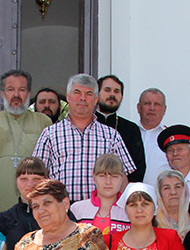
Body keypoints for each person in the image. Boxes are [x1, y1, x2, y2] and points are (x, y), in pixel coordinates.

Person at [32, 73, 135, 203]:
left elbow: (123, 177)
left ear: (96, 99)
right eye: (77, 92)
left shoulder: (111, 135)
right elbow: (38, 175)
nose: (83, 98)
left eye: (89, 94)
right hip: (62, 212)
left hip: (101, 213)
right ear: (68, 97)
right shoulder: (50, 134)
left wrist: (119, 209)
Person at [0, 70, 51, 211]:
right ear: (2, 94)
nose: (16, 95)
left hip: (33, 194)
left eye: (22, 90)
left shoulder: (43, 121)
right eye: (11, 90)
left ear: (29, 94)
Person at [0, 157, 48, 250]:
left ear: (46, 180)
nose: (30, 184)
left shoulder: (59, 213)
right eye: (24, 179)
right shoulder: (4, 219)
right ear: (16, 182)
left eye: (36, 179)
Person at [69, 153, 130, 243]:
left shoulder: (129, 210)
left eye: (114, 176)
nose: (108, 182)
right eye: (102, 176)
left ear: (122, 178)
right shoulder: (77, 209)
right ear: (94, 177)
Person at [95, 74, 146, 182]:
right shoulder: (86, 125)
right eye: (107, 90)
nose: (112, 94)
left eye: (116, 91)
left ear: (121, 97)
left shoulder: (131, 129)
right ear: (97, 94)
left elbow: (138, 169)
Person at [137, 88, 170, 186]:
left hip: (161, 198)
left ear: (164, 109)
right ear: (139, 108)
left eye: (157, 104)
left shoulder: (170, 138)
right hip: (129, 198)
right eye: (147, 103)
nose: (152, 108)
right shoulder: (128, 134)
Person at [155, 169, 190, 239]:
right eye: (166, 188)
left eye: (177, 187)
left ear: (185, 190)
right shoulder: (152, 223)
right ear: (159, 193)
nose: (173, 192)